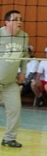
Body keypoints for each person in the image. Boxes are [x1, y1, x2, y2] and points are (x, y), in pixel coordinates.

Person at [0, 10, 29, 148]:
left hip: (10, 82)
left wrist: (23, 72)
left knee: (15, 108)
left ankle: (9, 138)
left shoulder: (24, 36)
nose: (19, 21)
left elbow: (25, 56)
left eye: (20, 19)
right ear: (7, 22)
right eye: (15, 19)